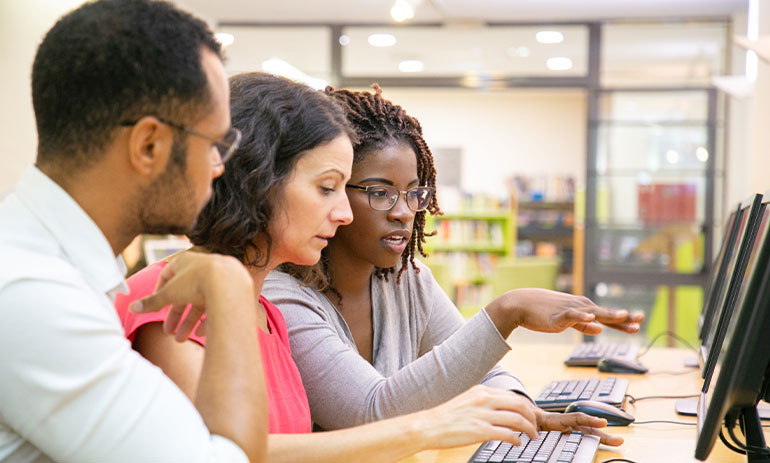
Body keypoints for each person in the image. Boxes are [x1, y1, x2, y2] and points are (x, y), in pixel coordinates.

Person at [115, 72, 616, 462]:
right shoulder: (176, 298)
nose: (344, 212)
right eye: (327, 187)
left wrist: (511, 412)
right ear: (259, 180)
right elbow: (231, 455)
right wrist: (431, 425)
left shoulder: (261, 308)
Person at [264, 85, 644, 435]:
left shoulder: (406, 278)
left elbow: (480, 371)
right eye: (380, 193)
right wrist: (505, 312)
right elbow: (369, 412)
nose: (403, 213)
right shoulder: (280, 295)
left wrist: (527, 410)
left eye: (415, 193)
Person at [0, 1, 267, 461]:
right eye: (215, 145)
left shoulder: (49, 263)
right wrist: (229, 288)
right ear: (149, 145)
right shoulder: (33, 293)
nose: (218, 168)